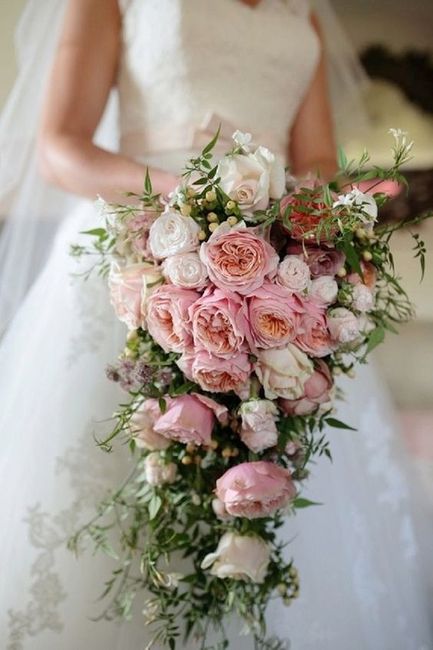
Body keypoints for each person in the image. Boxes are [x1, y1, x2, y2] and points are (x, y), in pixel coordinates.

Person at [0, 1, 431, 649]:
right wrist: (194, 197)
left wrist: (316, 219)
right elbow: (61, 150)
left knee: (275, 468)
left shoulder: (301, 9)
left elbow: (313, 158)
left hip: (274, 260)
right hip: (145, 240)